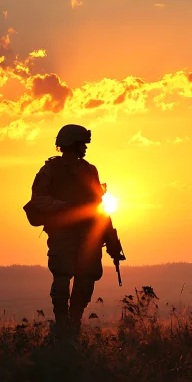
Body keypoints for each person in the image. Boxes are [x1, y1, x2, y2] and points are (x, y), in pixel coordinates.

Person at [29, 124, 121, 336]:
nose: (85, 148)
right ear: (72, 144)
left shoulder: (90, 170)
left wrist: (109, 234)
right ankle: (61, 323)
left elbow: (98, 204)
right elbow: (38, 200)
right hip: (63, 231)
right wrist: (64, 206)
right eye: (82, 143)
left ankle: (75, 320)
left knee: (87, 276)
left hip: (88, 232)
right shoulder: (50, 170)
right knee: (62, 275)